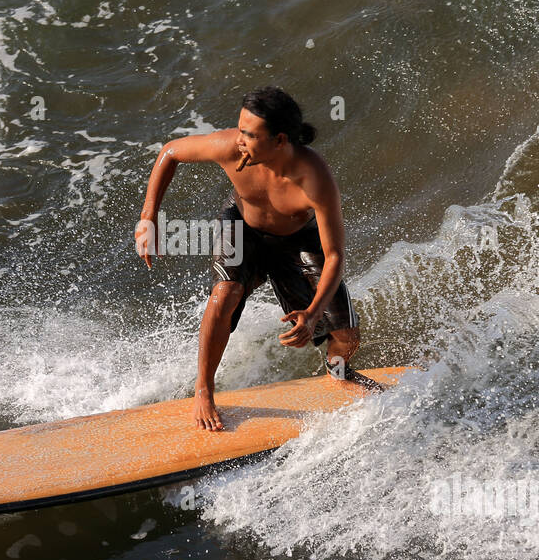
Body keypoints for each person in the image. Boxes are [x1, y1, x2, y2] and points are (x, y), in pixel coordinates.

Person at [136, 87, 369, 431]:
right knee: (224, 294)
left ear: (279, 140)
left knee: (346, 335)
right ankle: (204, 390)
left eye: (250, 134)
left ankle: (338, 372)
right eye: (240, 129)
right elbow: (170, 153)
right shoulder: (229, 148)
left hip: (298, 240)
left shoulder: (313, 176)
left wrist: (312, 313)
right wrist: (149, 215)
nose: (240, 140)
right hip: (243, 227)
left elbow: (334, 255)